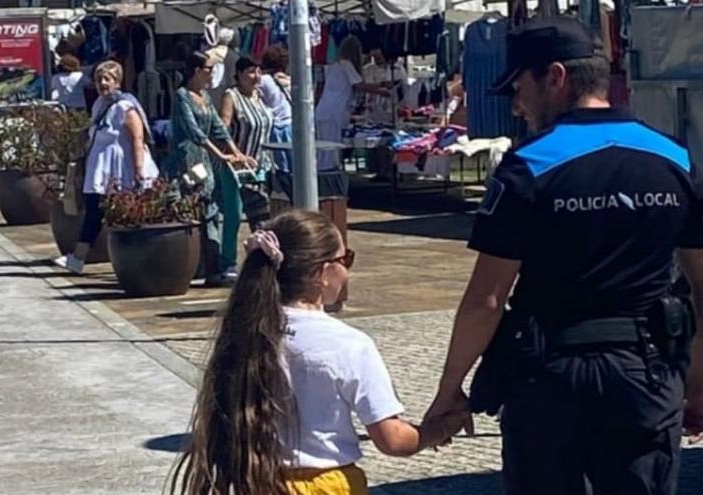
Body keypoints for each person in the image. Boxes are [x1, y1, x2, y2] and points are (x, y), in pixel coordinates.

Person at [424, 18, 703, 495]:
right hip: (644, 375)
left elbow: (486, 299)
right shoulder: (674, 159)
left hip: (549, 378)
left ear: (556, 77)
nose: (517, 104)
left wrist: (450, 390)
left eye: (520, 86)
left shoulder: (529, 167)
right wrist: (699, 386)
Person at [169, 210, 468, 495]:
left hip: (257, 482)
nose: (348, 270)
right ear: (322, 273)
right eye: (345, 259)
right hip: (327, 484)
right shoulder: (348, 344)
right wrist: (440, 429)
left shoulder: (243, 331)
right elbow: (392, 440)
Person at [54, 60, 159, 274]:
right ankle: (78, 258)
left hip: (121, 167)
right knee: (95, 210)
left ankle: (134, 258)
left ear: (117, 82)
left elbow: (137, 138)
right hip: (100, 167)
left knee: (123, 212)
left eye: (107, 79)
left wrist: (139, 169)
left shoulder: (125, 106)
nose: (102, 83)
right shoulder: (99, 104)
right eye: (99, 79)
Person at [169, 51, 252, 287]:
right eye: (209, 69)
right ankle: (193, 266)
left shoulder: (204, 96)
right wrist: (222, 155)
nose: (212, 74)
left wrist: (236, 153)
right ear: (196, 71)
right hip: (187, 161)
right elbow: (195, 133)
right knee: (190, 208)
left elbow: (218, 128)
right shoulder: (181, 96)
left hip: (205, 162)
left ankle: (213, 267)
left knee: (211, 210)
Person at [219, 57, 275, 279]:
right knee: (234, 214)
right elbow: (222, 128)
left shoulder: (259, 97)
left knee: (261, 214)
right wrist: (236, 154)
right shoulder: (231, 96)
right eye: (251, 72)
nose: (256, 77)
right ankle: (227, 262)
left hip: (261, 164)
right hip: (236, 166)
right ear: (239, 74)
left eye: (259, 71)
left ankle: (261, 257)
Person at [314, 36, 389, 171]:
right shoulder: (346, 64)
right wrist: (381, 88)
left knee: (323, 148)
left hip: (324, 109)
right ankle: (329, 176)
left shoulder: (332, 66)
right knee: (332, 147)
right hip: (335, 111)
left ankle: (322, 174)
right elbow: (359, 85)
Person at [260, 46, 293, 174]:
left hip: (275, 126)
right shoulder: (290, 80)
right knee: (293, 164)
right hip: (291, 124)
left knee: (280, 166)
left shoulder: (263, 80)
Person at [362, 48, 407, 125]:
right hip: (372, 112)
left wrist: (402, 107)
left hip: (391, 111)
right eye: (375, 58)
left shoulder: (398, 69)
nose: (377, 60)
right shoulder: (367, 70)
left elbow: (404, 90)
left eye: (379, 57)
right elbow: (361, 87)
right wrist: (379, 91)